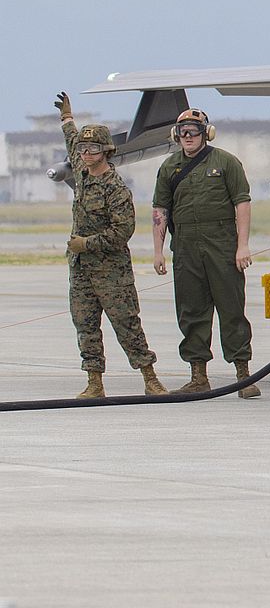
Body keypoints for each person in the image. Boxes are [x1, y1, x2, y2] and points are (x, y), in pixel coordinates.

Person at [53, 92, 167, 399]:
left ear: (106, 151)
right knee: (85, 325)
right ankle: (94, 382)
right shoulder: (81, 172)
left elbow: (122, 231)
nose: (87, 153)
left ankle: (150, 378)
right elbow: (71, 142)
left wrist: (85, 244)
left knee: (126, 324)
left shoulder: (115, 188)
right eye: (84, 149)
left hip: (111, 271)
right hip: (81, 271)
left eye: (93, 149)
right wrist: (67, 119)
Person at [151, 109, 260, 399]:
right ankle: (198, 376)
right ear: (176, 135)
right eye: (183, 131)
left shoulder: (225, 162)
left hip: (222, 243)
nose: (188, 136)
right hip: (185, 245)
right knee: (191, 310)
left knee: (231, 307)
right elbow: (160, 210)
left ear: (206, 133)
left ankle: (243, 375)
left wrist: (242, 245)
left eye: (194, 131)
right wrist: (158, 251)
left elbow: (242, 203)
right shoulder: (168, 167)